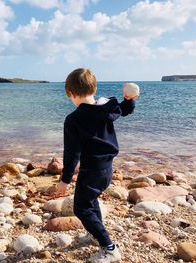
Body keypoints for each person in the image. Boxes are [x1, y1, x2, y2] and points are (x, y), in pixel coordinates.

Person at [54, 68, 139, 263]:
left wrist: (65, 180)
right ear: (94, 88)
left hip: (91, 171)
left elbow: (72, 153)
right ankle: (95, 235)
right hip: (107, 169)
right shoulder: (108, 107)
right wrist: (130, 99)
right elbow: (126, 110)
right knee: (91, 202)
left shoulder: (74, 119)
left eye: (70, 97)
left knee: (82, 209)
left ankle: (109, 248)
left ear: (72, 94)